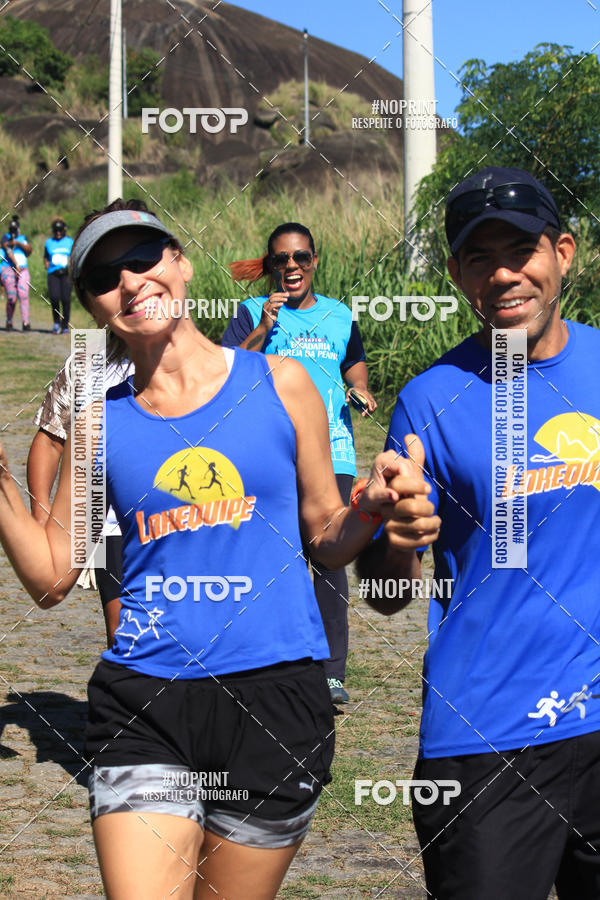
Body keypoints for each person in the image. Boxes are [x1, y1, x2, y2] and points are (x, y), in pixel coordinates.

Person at [0, 198, 400, 900]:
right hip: (145, 701)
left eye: (143, 257)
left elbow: (326, 541)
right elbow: (52, 576)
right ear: (93, 305)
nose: (129, 282)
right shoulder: (98, 421)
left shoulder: (282, 385)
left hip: (276, 698)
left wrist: (367, 511)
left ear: (180, 265)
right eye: (103, 276)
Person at [358, 165, 600, 899]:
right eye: (477, 257)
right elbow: (386, 594)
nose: (502, 274)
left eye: (519, 250)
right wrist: (398, 535)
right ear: (460, 274)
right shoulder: (431, 399)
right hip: (489, 734)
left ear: (563, 252)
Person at [221, 223, 377, 705]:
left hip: (332, 449)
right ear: (269, 266)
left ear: (315, 260)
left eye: (301, 258)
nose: (292, 267)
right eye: (281, 260)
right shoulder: (250, 312)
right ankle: (268, 663)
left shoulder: (339, 315)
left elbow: (352, 362)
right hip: (267, 450)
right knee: (269, 556)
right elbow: (225, 371)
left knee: (327, 559)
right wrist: (266, 328)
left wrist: (361, 387)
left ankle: (331, 672)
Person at [27, 351, 134, 646]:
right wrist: (42, 515)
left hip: (181, 521)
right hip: (113, 527)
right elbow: (50, 440)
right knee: (124, 636)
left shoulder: (186, 359)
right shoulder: (87, 364)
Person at [1, 215, 31, 331]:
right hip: (8, 269)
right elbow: (8, 251)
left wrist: (18, 243)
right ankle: (9, 320)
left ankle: (25, 322)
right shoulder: (5, 238)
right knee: (12, 298)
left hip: (23, 269)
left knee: (23, 295)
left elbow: (29, 250)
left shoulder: (23, 238)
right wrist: (16, 265)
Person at [44, 217, 74, 334]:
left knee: (66, 299)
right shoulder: (49, 243)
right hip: (53, 274)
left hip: (66, 274)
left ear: (64, 230)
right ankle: (56, 322)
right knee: (55, 298)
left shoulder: (70, 242)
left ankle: (65, 325)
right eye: (56, 231)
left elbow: (73, 256)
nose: (58, 233)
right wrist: (46, 264)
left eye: (60, 231)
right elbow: (46, 257)